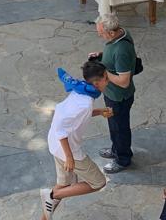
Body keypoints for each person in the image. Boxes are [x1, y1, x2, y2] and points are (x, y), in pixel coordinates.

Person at [40, 61, 111, 219]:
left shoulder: (81, 91)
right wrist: (70, 157)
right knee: (98, 182)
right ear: (97, 82)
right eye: (106, 78)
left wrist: (99, 112)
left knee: (65, 185)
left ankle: (45, 212)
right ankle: (51, 194)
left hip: (55, 145)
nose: (108, 80)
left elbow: (73, 118)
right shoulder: (85, 104)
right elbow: (61, 129)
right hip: (68, 150)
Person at [93, 14, 136, 173]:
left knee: (120, 129)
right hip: (111, 94)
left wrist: (103, 71)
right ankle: (115, 149)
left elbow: (124, 81)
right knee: (114, 125)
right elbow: (112, 56)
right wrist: (101, 56)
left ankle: (123, 159)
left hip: (119, 97)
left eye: (101, 32)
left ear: (111, 33)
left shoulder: (121, 50)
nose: (99, 35)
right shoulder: (120, 34)